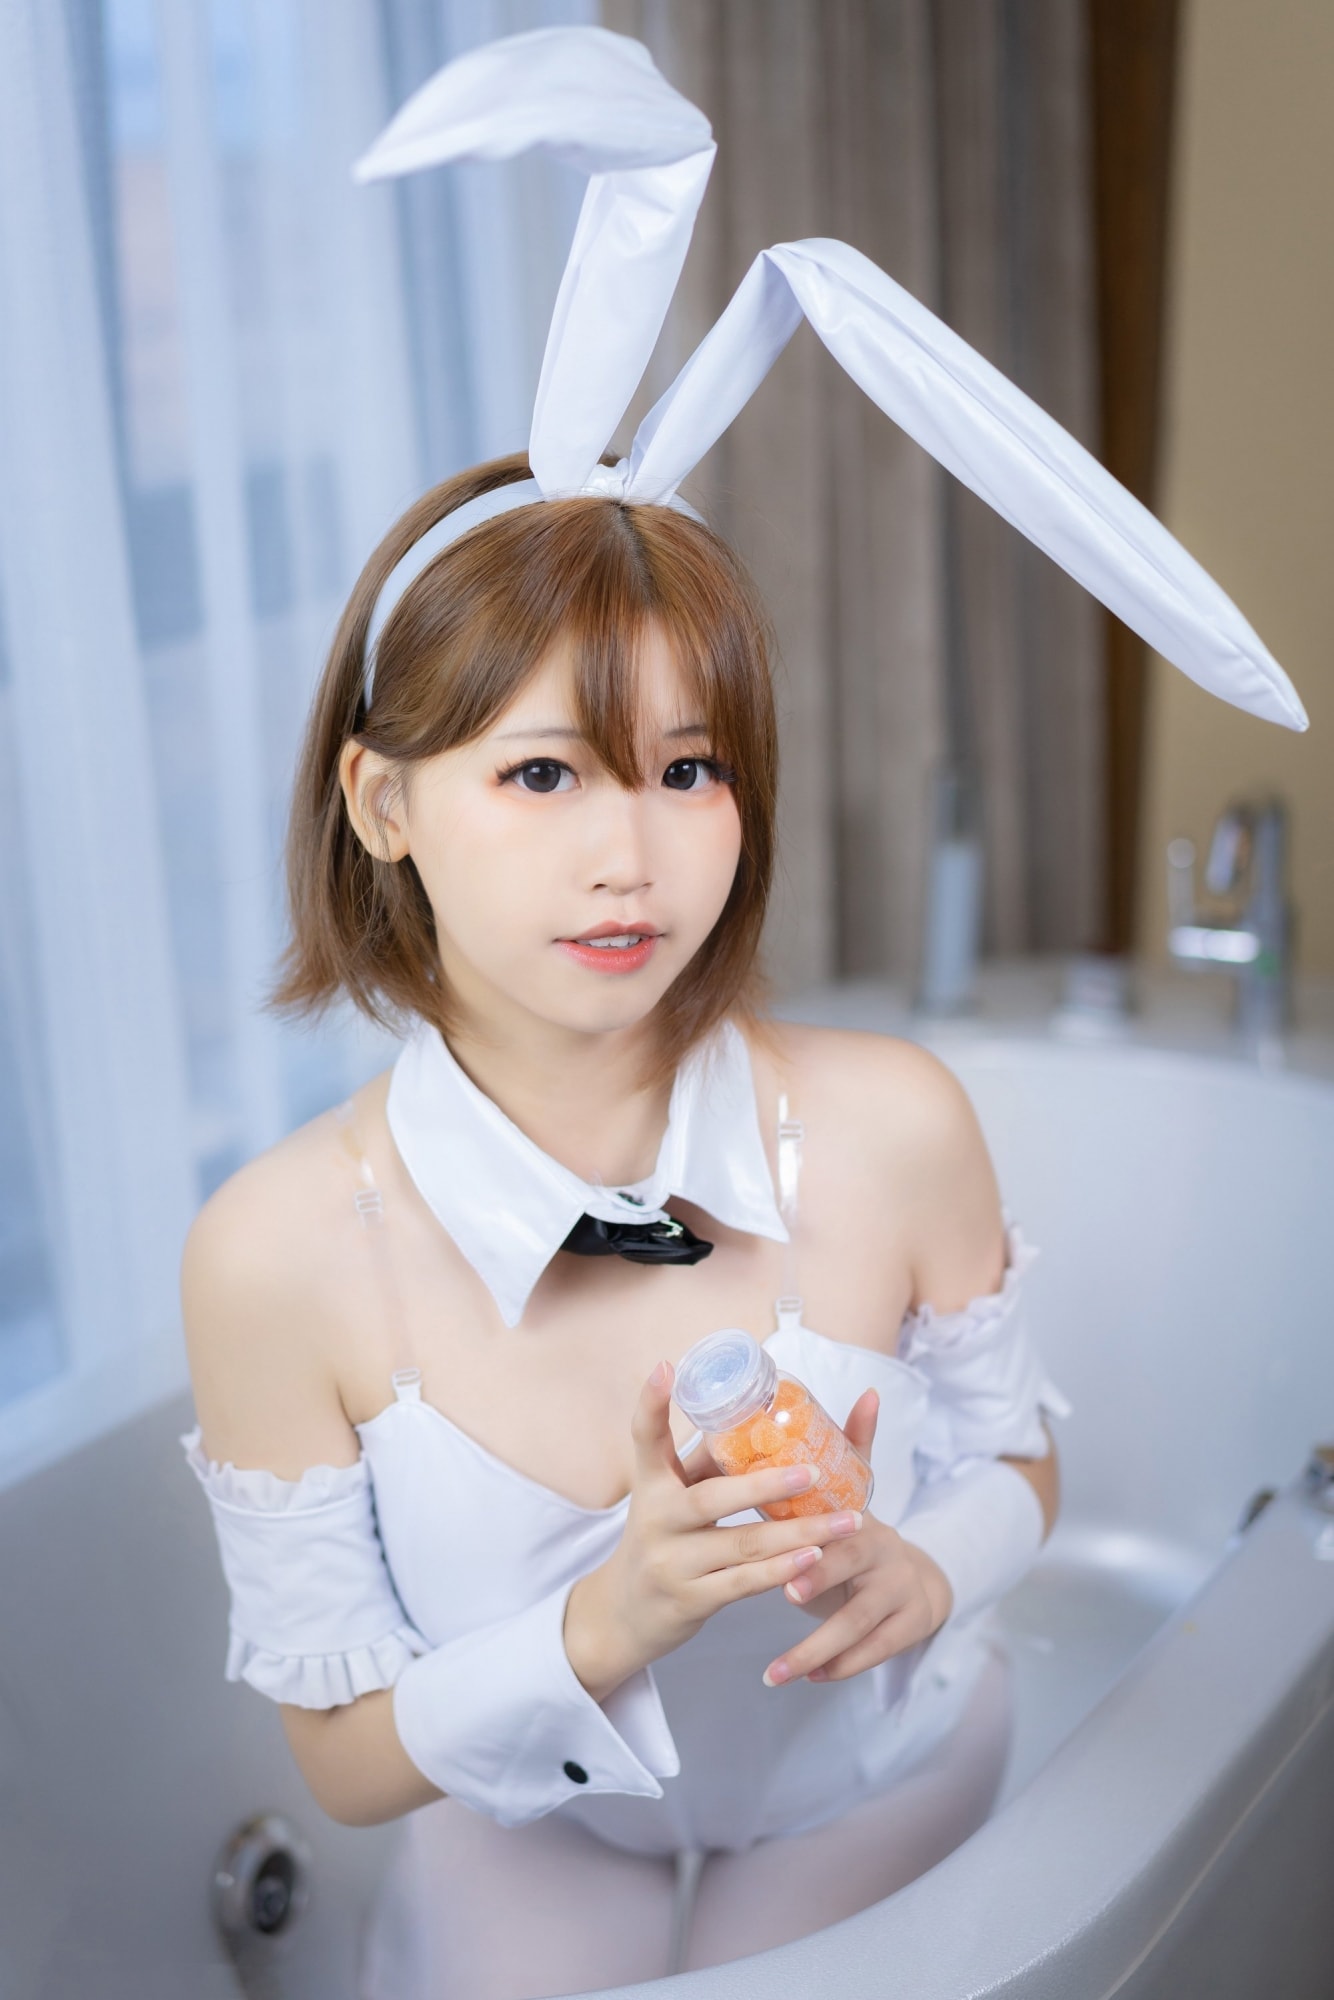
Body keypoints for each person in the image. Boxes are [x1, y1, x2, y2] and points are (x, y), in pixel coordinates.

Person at [179, 27, 1301, 1999]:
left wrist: (926, 1565)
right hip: (531, 1826)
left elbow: (1019, 1472)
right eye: (544, 774)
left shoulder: (889, 1124)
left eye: (686, 769)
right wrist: (605, 1621)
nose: (633, 858)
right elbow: (343, 1759)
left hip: (873, 1784)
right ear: (382, 801)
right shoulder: (277, 1253)